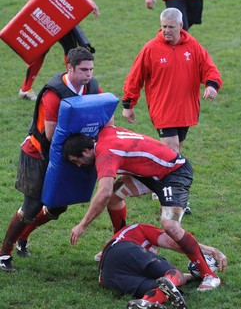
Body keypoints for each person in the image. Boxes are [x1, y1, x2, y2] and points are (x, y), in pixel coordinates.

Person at [63, 126, 222, 291]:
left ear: (87, 151)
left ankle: (209, 275)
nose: (79, 166)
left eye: (77, 161)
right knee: (114, 199)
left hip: (173, 173)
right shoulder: (105, 131)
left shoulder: (106, 155)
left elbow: (103, 193)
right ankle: (121, 243)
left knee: (170, 226)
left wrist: (82, 225)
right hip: (148, 174)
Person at [0, 47, 102, 272]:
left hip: (69, 154)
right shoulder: (54, 93)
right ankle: (3, 254)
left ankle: (23, 238)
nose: (88, 74)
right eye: (83, 70)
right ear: (70, 68)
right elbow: (51, 135)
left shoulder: (92, 86)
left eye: (91, 69)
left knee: (58, 206)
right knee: (32, 206)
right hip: (38, 153)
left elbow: (104, 115)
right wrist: (85, 145)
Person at [122, 8, 223, 155]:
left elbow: (209, 68)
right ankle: (167, 177)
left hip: (186, 108)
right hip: (163, 108)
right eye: (164, 26)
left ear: (181, 25)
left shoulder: (193, 45)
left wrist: (212, 86)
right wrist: (128, 104)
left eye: (171, 27)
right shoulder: (151, 48)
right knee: (171, 150)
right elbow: (135, 76)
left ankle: (160, 177)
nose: (166, 30)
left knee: (177, 150)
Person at [99, 223, 227, 309]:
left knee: (161, 288)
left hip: (107, 277)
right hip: (123, 249)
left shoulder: (129, 254)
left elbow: (167, 284)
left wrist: (193, 276)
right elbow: (175, 243)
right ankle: (159, 293)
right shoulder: (139, 229)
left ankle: (146, 303)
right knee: (173, 273)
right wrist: (210, 250)